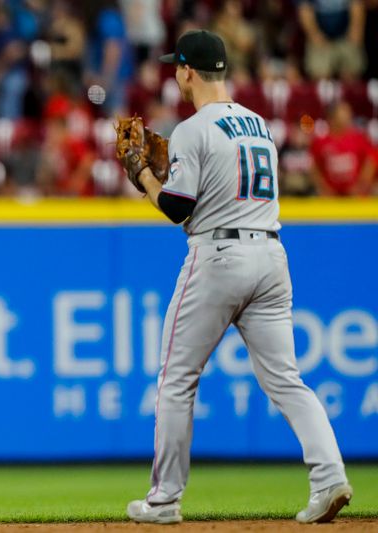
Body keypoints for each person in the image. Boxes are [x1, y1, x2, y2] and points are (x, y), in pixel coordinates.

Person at [121, 30, 352, 525]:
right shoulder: (259, 124)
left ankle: (163, 501)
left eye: (176, 68)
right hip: (271, 255)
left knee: (177, 379)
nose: (175, 76)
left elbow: (178, 207)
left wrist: (143, 177)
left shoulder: (192, 128)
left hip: (219, 255)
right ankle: (329, 476)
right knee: (287, 380)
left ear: (186, 70)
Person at [309, 101, 375, 196]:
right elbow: (314, 168)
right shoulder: (320, 142)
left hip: (355, 196)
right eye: (344, 113)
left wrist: (360, 186)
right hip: (330, 198)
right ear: (332, 117)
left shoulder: (359, 138)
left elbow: (370, 162)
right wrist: (325, 189)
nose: (348, 117)